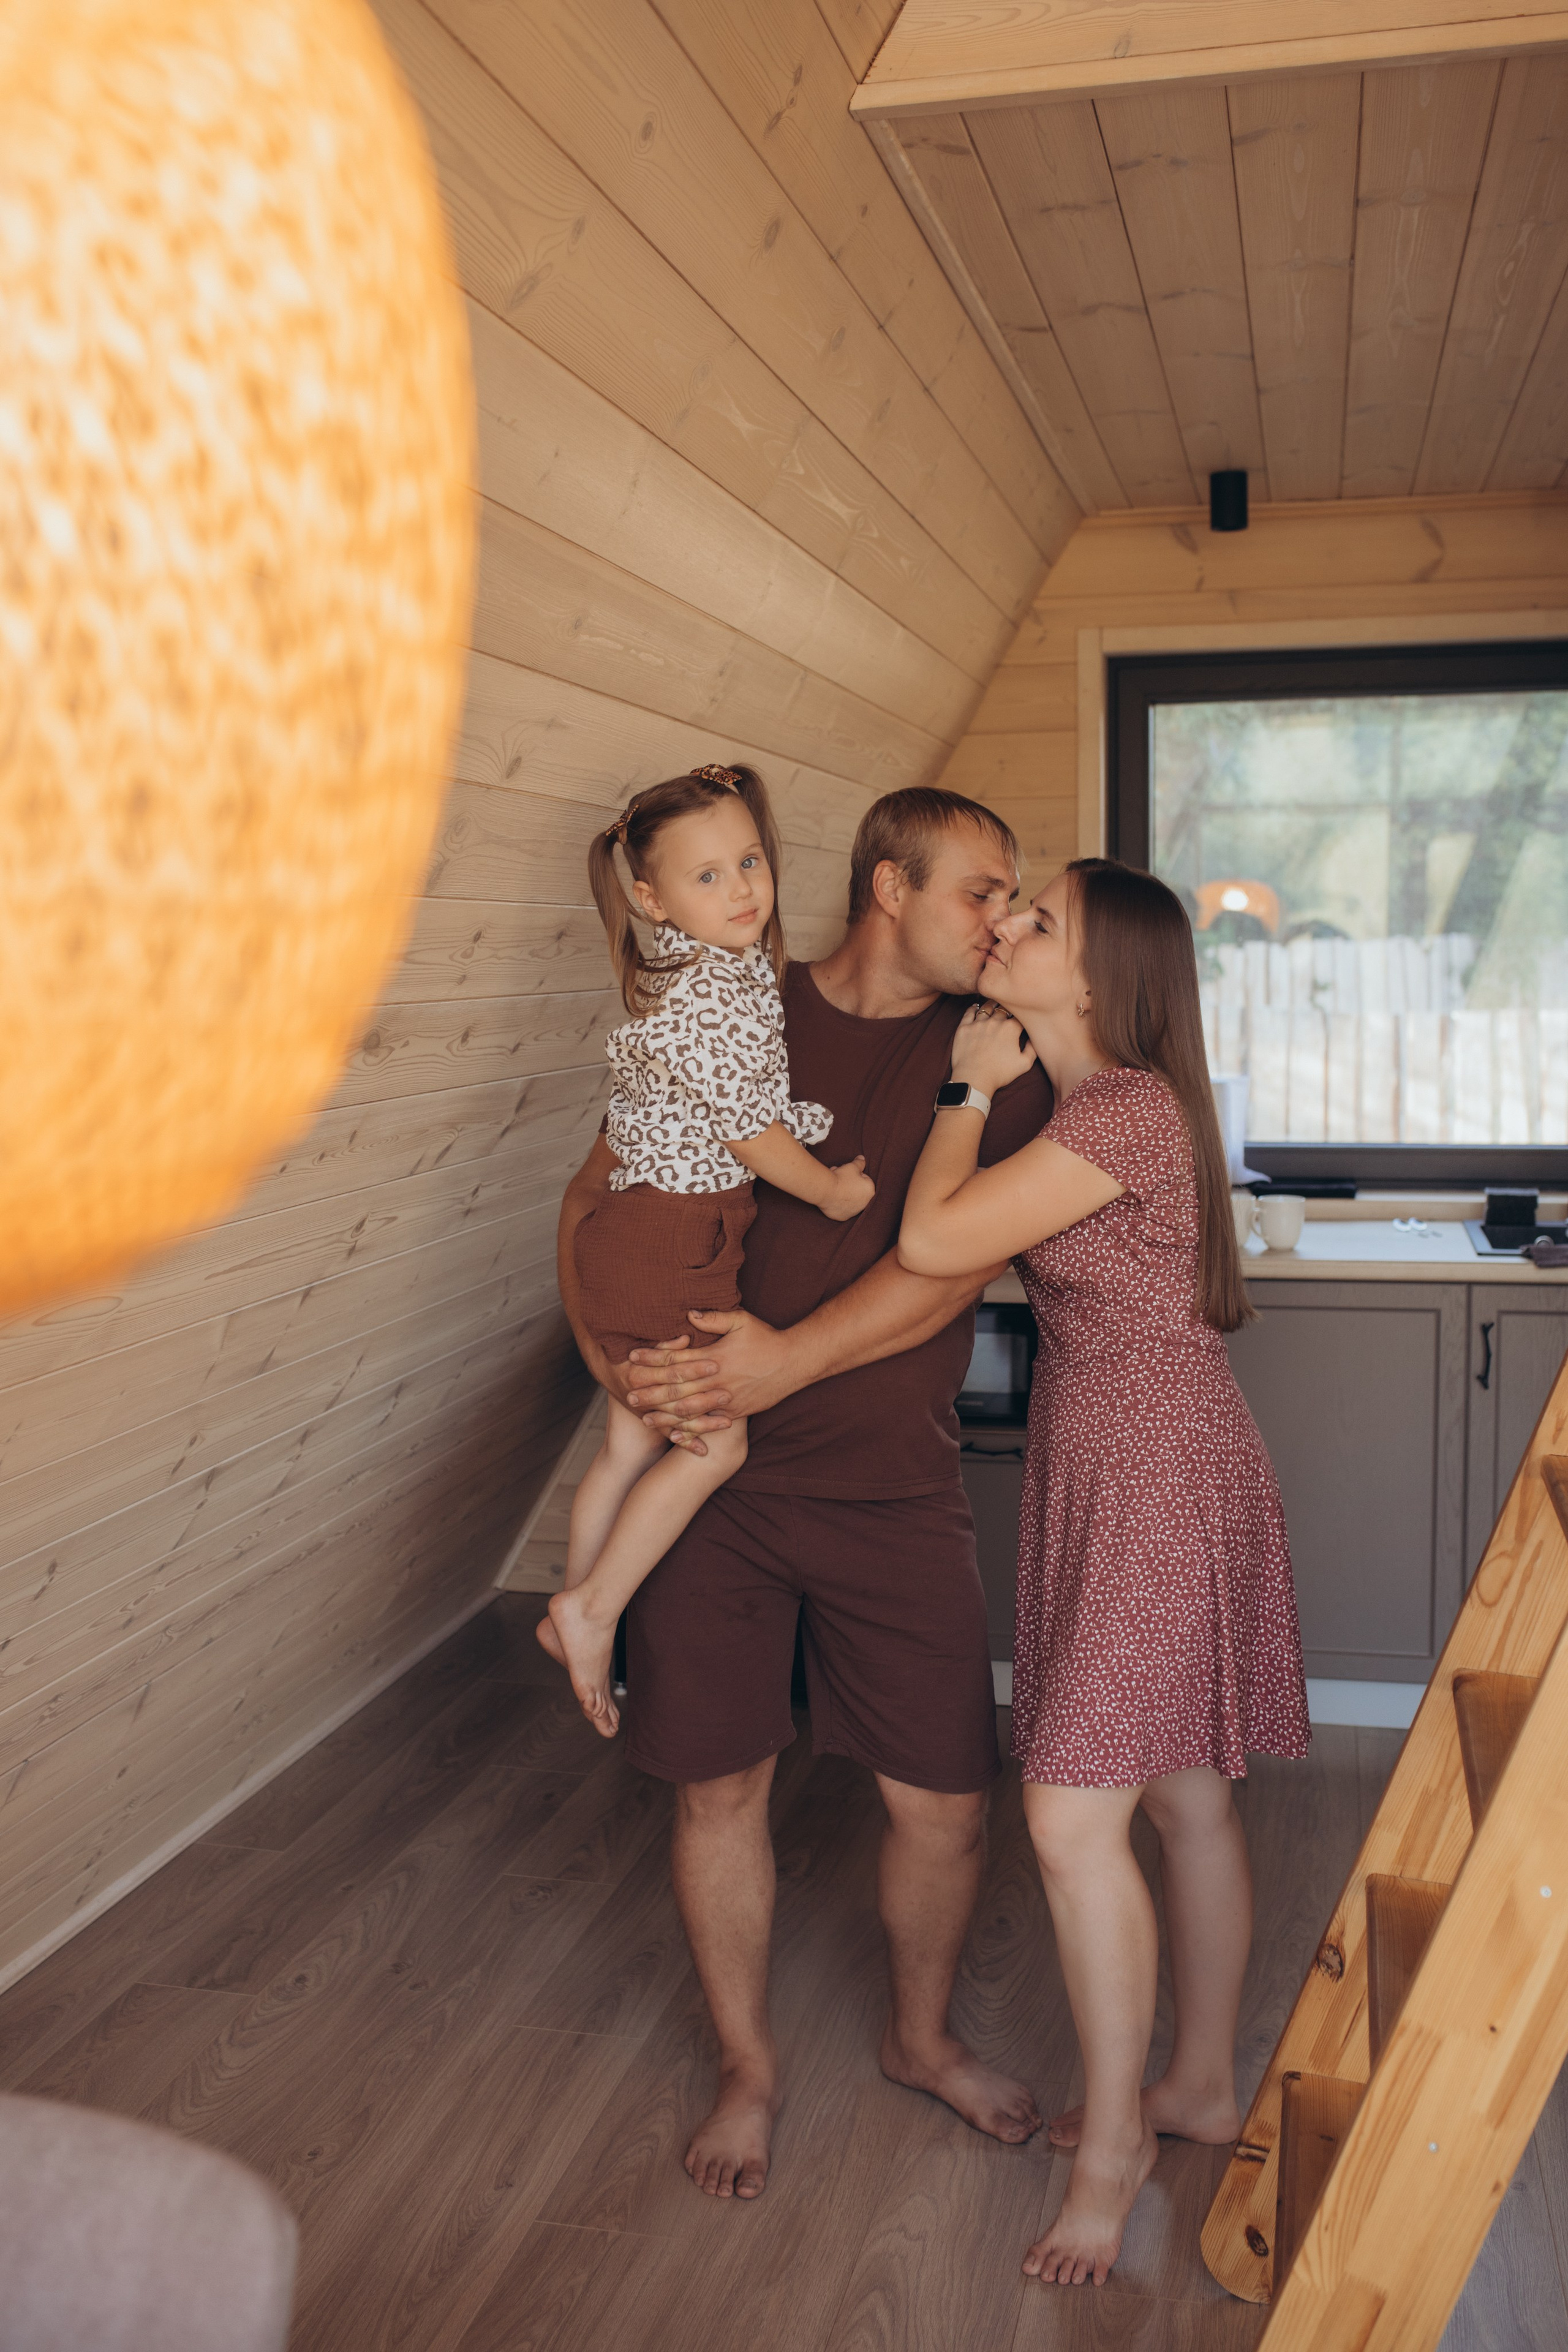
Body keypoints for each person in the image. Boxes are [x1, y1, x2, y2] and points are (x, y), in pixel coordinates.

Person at [556, 786, 1054, 2201]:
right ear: (889, 887)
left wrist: (775, 1369)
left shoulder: (996, 1061)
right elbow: (594, 1205)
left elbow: (942, 1271)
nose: (1000, 919)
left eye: (1012, 897)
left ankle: (916, 2038)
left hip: (892, 1487)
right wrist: (617, 1369)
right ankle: (747, 2068)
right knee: (717, 1794)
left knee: (945, 1805)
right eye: (980, 889)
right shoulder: (731, 1000)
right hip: (713, 1497)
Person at [897, 857, 1310, 2288]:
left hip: (1147, 1476)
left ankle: (1118, 2153)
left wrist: (959, 1086)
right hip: (1144, 1462)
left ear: (1096, 977)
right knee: (1186, 1795)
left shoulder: (1120, 1107)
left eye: (1038, 919)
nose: (1006, 925)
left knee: (1073, 1826)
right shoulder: (1101, 1107)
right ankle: (1194, 2081)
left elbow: (934, 1236)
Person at [538, 763, 874, 1733]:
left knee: (632, 1438)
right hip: (669, 1240)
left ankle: (572, 1610)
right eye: (708, 877)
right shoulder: (719, 994)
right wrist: (830, 1187)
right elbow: (747, 1134)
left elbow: (734, 1101)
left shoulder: (699, 980)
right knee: (715, 1442)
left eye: (750, 863)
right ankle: (594, 1609)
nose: (742, 890)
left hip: (636, 1232)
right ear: (651, 898)